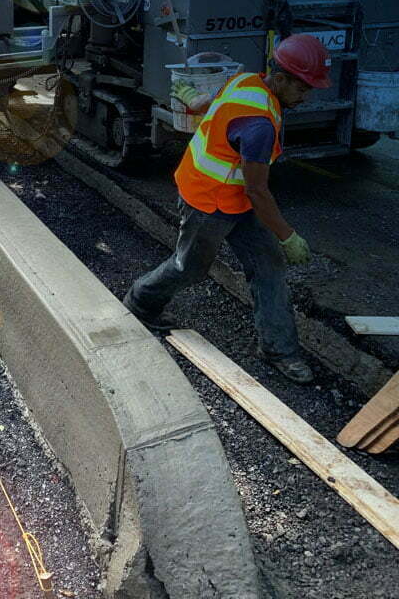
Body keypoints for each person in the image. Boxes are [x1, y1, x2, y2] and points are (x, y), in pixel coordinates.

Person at [123, 34, 332, 385]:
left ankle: (279, 349)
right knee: (188, 267)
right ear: (279, 78)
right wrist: (287, 235)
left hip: (235, 199)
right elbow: (258, 189)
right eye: (303, 88)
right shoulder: (259, 126)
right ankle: (140, 303)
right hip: (211, 201)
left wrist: (192, 98)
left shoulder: (246, 81)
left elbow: (215, 105)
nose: (306, 95)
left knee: (269, 267)